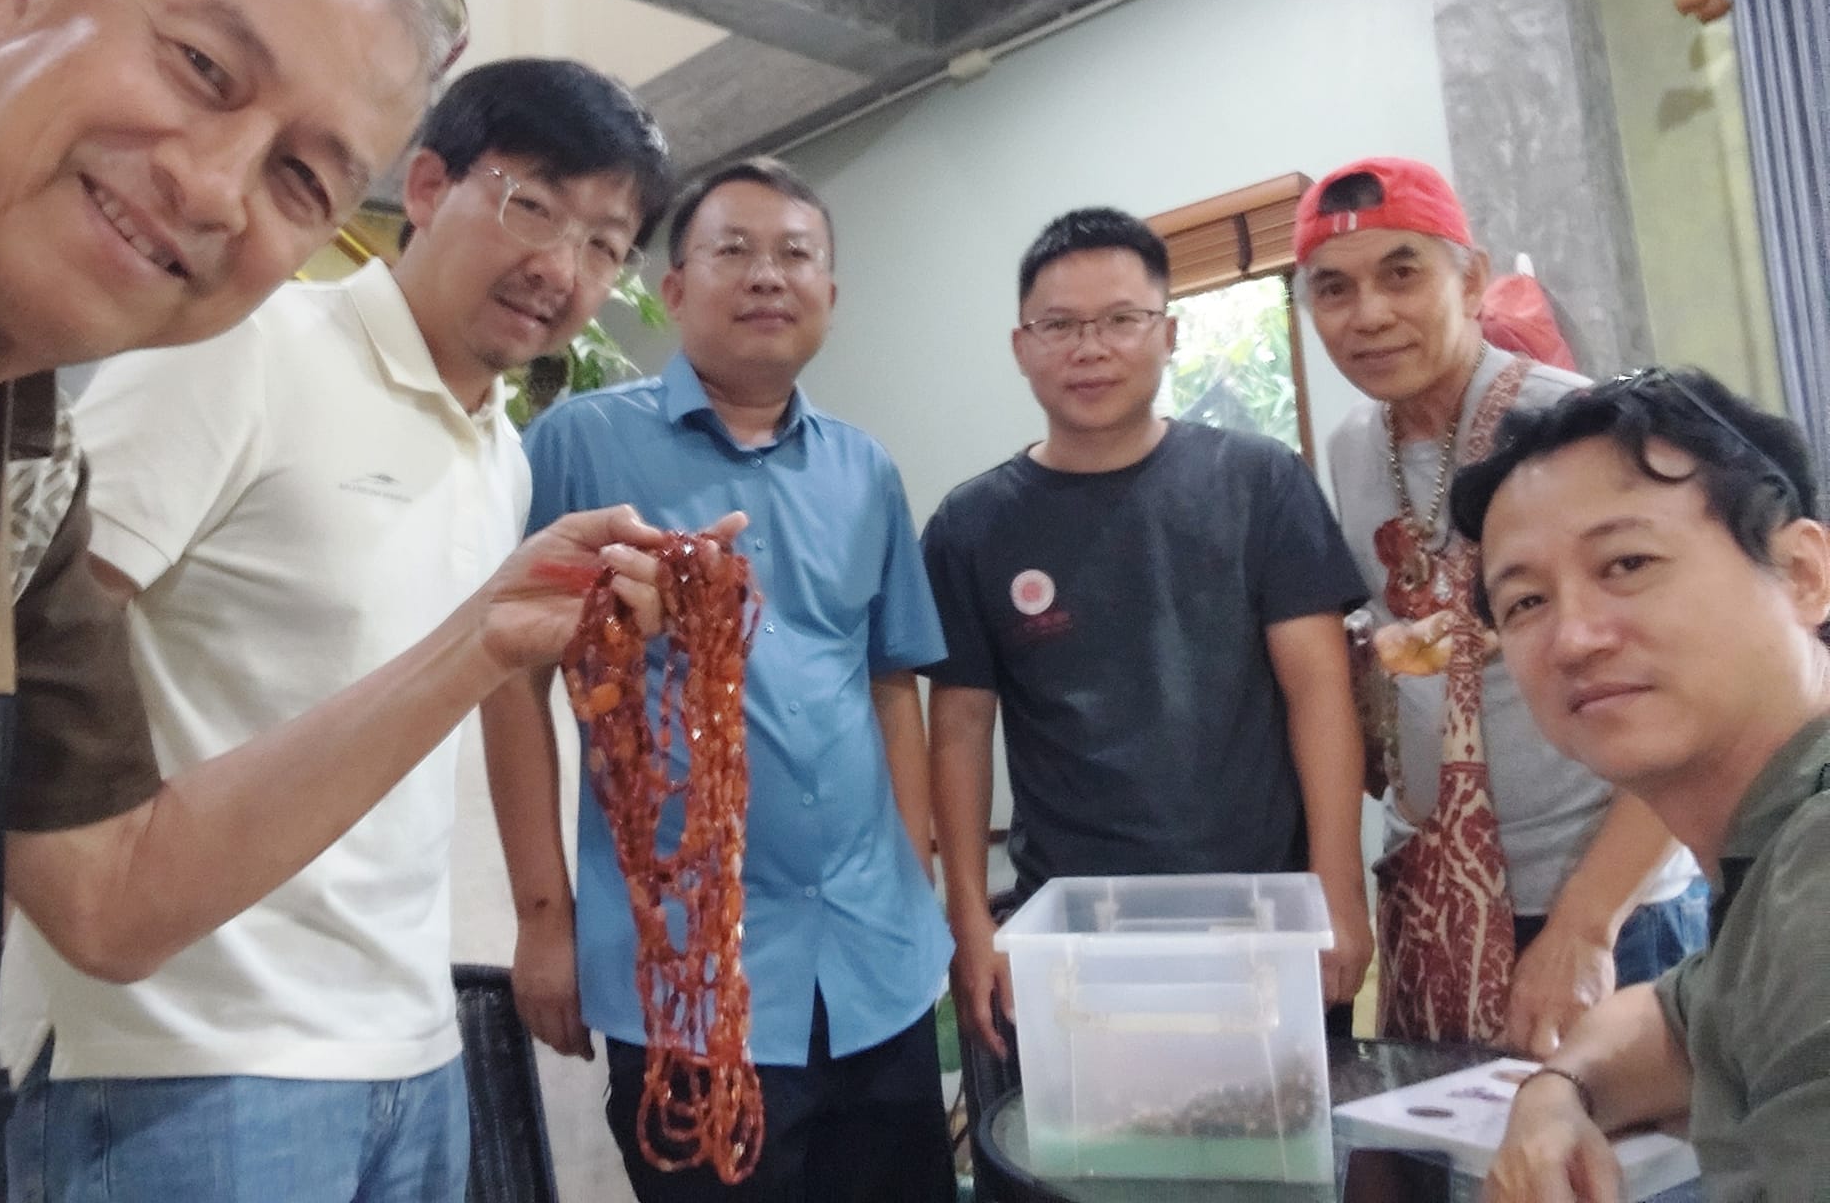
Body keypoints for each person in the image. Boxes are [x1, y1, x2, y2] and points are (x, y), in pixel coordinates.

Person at [0, 0, 671, 1025]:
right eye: (201, 67)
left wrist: (481, 639)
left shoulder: (21, 475)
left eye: (299, 178)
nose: (209, 188)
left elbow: (109, 895)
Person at [0, 59, 675, 1200]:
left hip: (409, 1045)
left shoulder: (500, 455)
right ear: (426, 186)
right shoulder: (245, 348)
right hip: (185, 1054)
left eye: (605, 245)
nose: (561, 268)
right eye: (534, 206)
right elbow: (20, 642)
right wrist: (46, 923)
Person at [483, 157, 957, 1203]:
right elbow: (507, 681)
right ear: (672, 287)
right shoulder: (577, 445)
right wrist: (542, 918)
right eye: (732, 250)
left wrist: (914, 885)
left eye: (795, 255)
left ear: (829, 291)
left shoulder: (864, 470)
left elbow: (888, 686)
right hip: (686, 986)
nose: (767, 275)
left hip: (874, 967)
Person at [923, 207, 1374, 1064]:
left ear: (1168, 334)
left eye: (1121, 320)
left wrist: (1336, 887)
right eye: (1059, 326)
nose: (1090, 349)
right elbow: (961, 727)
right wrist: (969, 918)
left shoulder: (1260, 482)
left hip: (1262, 918)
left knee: (1280, 1131)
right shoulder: (971, 525)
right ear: (1021, 347)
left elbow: (1320, 691)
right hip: (1076, 934)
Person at [1295, 157, 1703, 1054]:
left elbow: (1696, 698)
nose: (1369, 314)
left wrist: (1586, 925)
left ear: (1471, 279)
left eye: (1402, 273)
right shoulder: (1353, 450)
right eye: (1333, 289)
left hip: (1611, 914)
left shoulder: (1584, 429)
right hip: (1438, 899)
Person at [1450, 370, 1830, 1202]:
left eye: (1627, 563)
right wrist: (1555, 1093)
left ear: (1802, 573)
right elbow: (1680, 1016)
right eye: (1525, 602)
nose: (1575, 638)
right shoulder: (1773, 855)